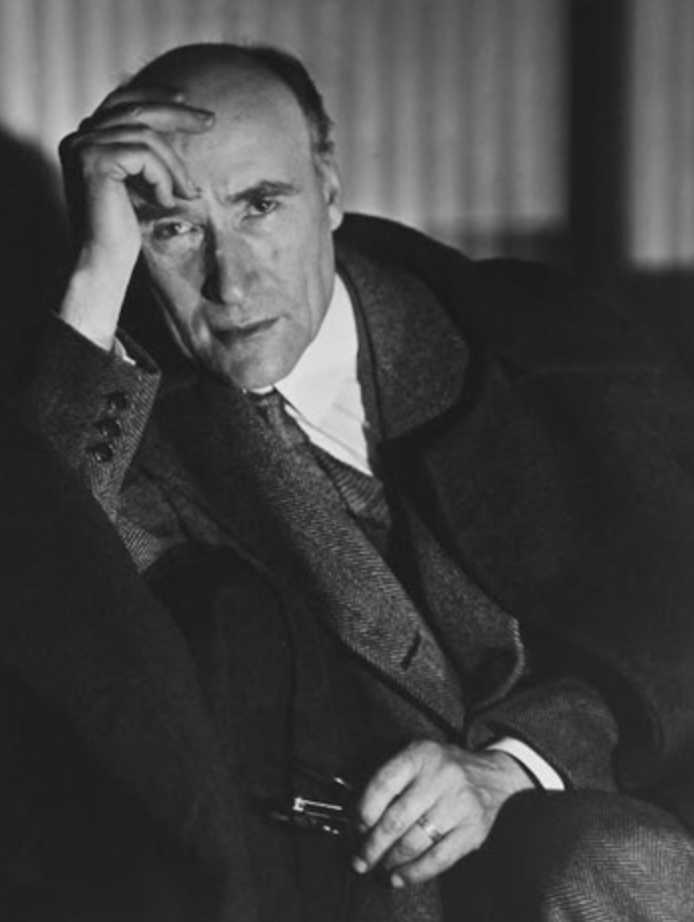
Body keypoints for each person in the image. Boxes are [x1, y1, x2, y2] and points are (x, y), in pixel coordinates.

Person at [14, 41, 694, 921]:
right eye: (172, 228)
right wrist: (94, 276)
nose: (231, 281)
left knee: (598, 859)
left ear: (330, 191)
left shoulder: (532, 342)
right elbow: (40, 606)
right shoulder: (121, 419)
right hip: (335, 896)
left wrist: (516, 763)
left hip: (614, 833)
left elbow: (673, 603)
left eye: (262, 205)